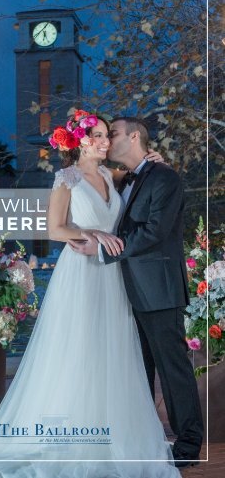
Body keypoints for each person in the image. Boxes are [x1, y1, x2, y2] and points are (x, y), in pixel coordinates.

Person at [0, 111, 180, 478]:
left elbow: (144, 176)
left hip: (113, 277)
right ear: (79, 140)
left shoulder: (112, 175)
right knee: (79, 348)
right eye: (98, 135)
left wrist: (156, 160)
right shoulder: (67, 178)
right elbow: (55, 228)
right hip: (81, 273)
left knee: (113, 351)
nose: (106, 141)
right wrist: (92, 234)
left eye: (108, 135)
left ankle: (113, 433)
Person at [69, 117, 203, 469]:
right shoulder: (120, 179)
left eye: (112, 134)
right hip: (122, 291)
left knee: (172, 369)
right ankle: (144, 437)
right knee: (136, 369)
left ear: (133, 136)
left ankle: (188, 444)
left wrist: (100, 250)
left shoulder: (164, 178)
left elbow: (155, 232)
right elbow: (78, 194)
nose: (108, 140)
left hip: (158, 289)